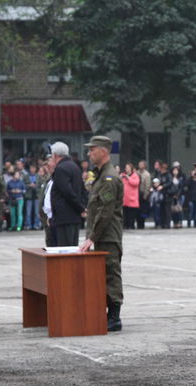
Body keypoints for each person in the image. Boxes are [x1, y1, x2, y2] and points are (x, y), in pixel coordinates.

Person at [79, 136, 124, 332]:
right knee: (102, 274)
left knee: (111, 274)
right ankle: (107, 314)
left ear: (104, 152)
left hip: (108, 235)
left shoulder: (109, 178)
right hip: (101, 233)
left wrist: (92, 237)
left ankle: (114, 317)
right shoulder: (99, 175)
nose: (89, 153)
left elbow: (106, 212)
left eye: (93, 149)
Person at [49, 142, 85, 246]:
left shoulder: (61, 169)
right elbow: (82, 190)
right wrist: (81, 207)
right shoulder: (75, 167)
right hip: (74, 217)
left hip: (64, 216)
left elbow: (67, 192)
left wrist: (80, 207)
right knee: (72, 249)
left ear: (55, 155)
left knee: (65, 251)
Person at [121, 163, 140, 230]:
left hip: (132, 199)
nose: (127, 169)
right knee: (125, 213)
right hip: (125, 199)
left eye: (128, 167)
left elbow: (135, 183)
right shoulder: (123, 176)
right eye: (126, 167)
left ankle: (131, 226)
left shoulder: (135, 176)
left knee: (131, 214)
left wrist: (128, 178)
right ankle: (125, 225)